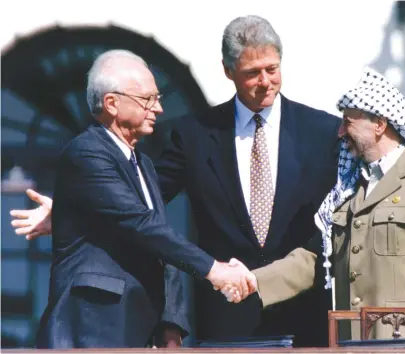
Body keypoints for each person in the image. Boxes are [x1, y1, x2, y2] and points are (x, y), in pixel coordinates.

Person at [11, 16, 405, 347]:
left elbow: (369, 191)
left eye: (273, 69)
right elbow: (143, 201)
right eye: (252, 73)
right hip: (228, 317)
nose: (265, 81)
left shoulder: (323, 130)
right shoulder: (195, 134)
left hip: (312, 318)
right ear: (229, 72)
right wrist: (73, 208)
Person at [228, 68, 405, 348]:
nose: (339, 132)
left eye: (348, 122)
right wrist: (253, 280)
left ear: (379, 125)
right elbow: (314, 259)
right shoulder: (348, 189)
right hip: (352, 345)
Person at [34, 49, 253, 348]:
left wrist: (172, 325)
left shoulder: (144, 164)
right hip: (92, 329)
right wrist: (214, 269)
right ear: (111, 103)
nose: (159, 108)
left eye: (158, 98)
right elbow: (139, 224)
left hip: (139, 330)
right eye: (147, 99)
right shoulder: (85, 152)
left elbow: (158, 241)